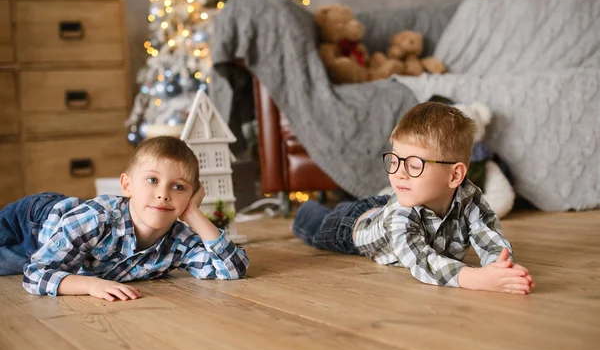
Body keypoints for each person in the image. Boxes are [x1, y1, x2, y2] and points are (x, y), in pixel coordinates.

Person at [293, 102, 535, 294]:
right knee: (314, 223)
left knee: (372, 206)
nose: (398, 172)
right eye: (395, 160)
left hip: (385, 206)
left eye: (413, 164)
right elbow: (423, 262)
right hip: (350, 227)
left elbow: (489, 235)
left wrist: (500, 266)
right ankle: (304, 209)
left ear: (455, 175)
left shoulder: (469, 198)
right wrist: (476, 278)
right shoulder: (401, 215)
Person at [0, 136, 249, 301]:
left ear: (192, 195)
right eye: (152, 180)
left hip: (47, 256)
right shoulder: (99, 217)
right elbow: (35, 274)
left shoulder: (179, 242)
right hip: (33, 221)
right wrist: (92, 286)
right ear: (127, 186)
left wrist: (193, 214)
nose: (163, 195)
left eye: (179, 187)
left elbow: (233, 269)